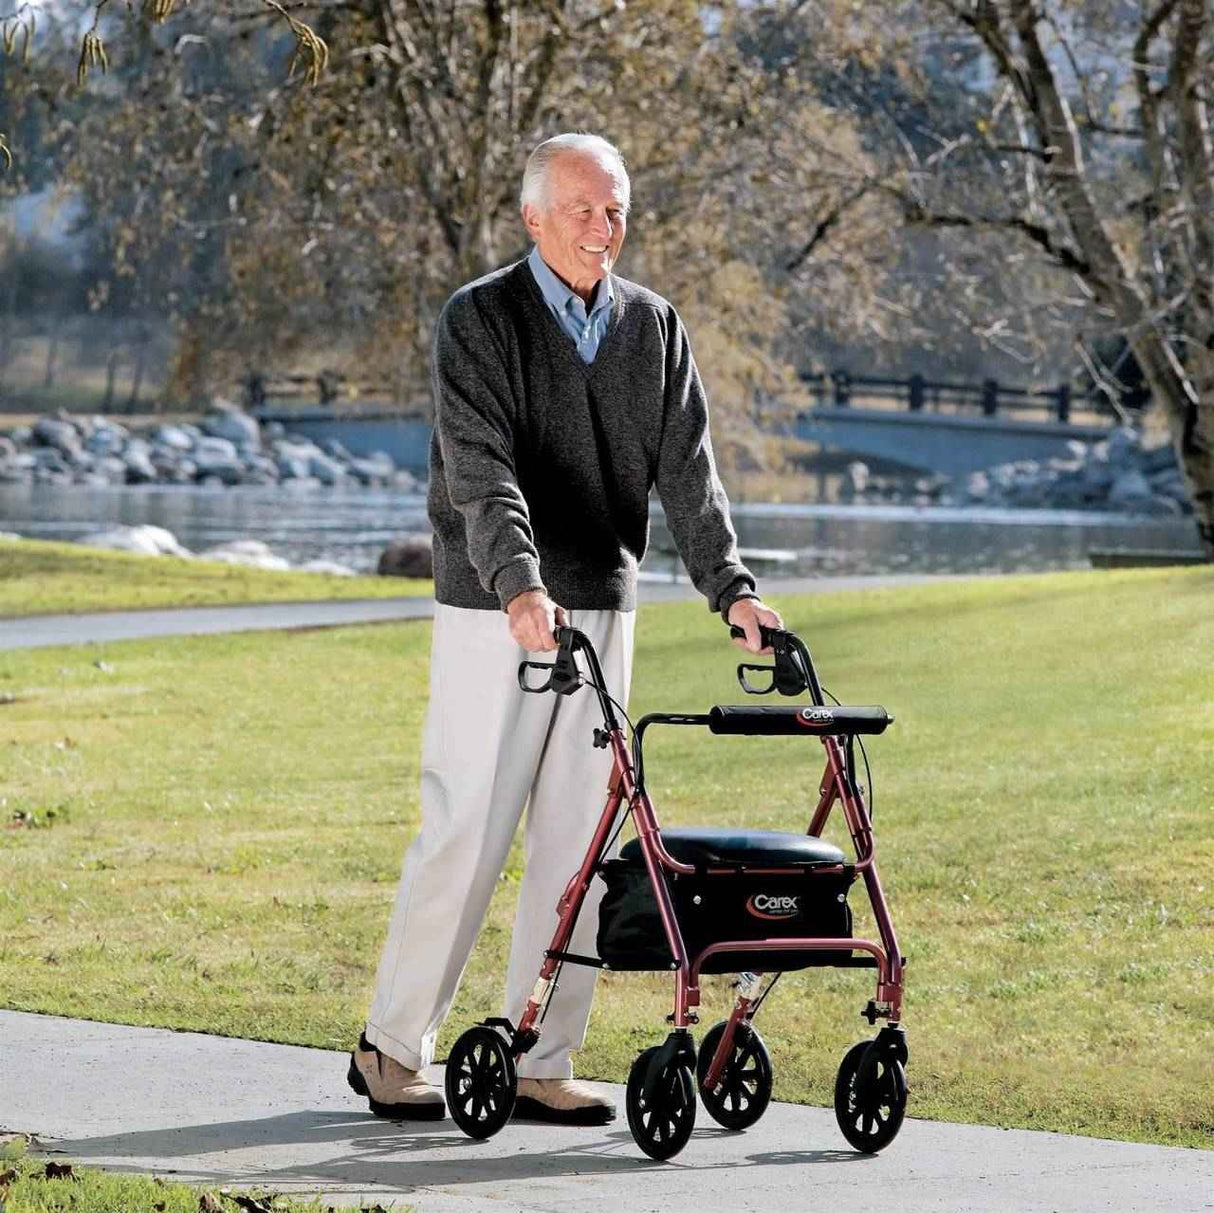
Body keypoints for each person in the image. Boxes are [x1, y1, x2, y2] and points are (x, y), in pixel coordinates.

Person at [348, 132, 782, 1126]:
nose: (603, 228)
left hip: (604, 602)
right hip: (493, 610)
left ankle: (542, 1056)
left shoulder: (653, 327)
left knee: (581, 845)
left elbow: (689, 476)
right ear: (533, 217)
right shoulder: (480, 319)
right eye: (582, 209)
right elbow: (478, 464)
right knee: (466, 826)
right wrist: (517, 584)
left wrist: (733, 589)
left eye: (617, 209)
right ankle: (390, 1046)